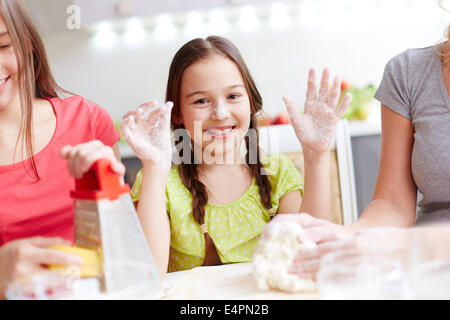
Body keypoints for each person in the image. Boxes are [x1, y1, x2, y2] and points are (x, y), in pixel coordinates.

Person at [120, 36, 351, 276]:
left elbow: (309, 255)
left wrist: (316, 155)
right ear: (177, 112)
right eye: (201, 100)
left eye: (233, 97)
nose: (220, 113)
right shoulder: (160, 184)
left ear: (251, 102)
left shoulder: (277, 173)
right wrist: (154, 168)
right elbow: (149, 276)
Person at [273, 24, 450, 279]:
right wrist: (347, 236)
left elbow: (398, 245)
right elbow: (392, 203)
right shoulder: (409, 73)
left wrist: (401, 246)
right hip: (425, 273)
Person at [0, 0, 123, 298]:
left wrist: (107, 191)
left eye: (2, 45)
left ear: (26, 43)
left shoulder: (88, 122)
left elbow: (122, 255)